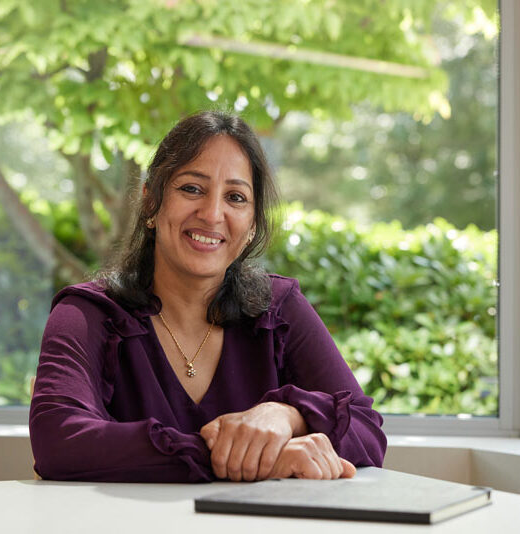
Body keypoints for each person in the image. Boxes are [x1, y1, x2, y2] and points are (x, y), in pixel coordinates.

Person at [29, 110, 387, 483]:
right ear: (151, 202)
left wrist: (287, 415)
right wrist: (242, 459)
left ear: (251, 225)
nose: (212, 213)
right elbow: (59, 442)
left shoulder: (281, 309)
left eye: (235, 197)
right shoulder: (86, 314)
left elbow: (368, 432)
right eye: (191, 188)